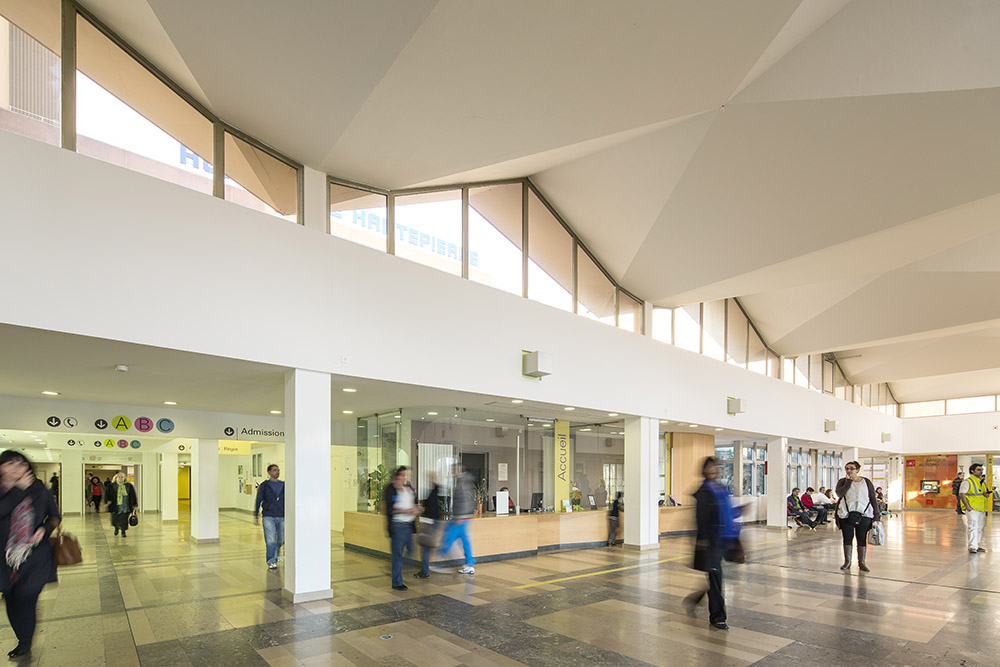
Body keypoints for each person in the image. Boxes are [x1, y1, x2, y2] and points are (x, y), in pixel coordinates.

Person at [0, 450, 61, 659]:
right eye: (10, 464)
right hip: (4, 558)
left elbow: (54, 516)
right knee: (11, 598)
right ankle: (21, 636)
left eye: (21, 464)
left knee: (26, 598)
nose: (17, 469)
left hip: (35, 556)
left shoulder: (38, 490)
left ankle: (24, 642)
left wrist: (45, 530)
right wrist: (18, 490)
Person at [685, 457, 738, 630]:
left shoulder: (722, 489)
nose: (713, 470)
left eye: (716, 467)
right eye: (709, 467)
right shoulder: (703, 492)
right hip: (710, 542)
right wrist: (702, 540)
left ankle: (695, 599)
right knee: (716, 578)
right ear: (704, 470)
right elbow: (701, 518)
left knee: (715, 576)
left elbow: (727, 512)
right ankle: (717, 617)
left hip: (724, 538)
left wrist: (739, 512)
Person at [835, 460, 881, 572]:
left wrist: (876, 515)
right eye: (847, 468)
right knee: (847, 537)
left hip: (864, 514)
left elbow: (872, 498)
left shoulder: (866, 482)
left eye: (851, 468)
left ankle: (862, 562)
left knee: (861, 538)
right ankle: (847, 561)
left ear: (857, 470)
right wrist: (848, 482)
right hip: (846, 514)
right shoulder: (842, 481)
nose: (849, 471)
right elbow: (839, 494)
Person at [383, 466, 420, 590]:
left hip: (409, 526)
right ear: (397, 476)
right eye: (403, 475)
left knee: (411, 550)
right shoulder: (391, 489)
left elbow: (415, 503)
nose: (406, 478)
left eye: (407, 475)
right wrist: (405, 511)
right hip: (397, 526)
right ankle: (397, 582)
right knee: (398, 555)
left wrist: (417, 509)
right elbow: (389, 510)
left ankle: (396, 568)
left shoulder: (409, 489)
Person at [439, 464, 476, 575]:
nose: (451, 472)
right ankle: (469, 564)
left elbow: (463, 500)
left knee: (449, 537)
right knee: (464, 541)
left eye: (453, 470)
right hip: (464, 517)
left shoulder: (462, 483)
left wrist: (459, 516)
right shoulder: (464, 481)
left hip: (461, 517)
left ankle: (440, 557)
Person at [253, 464, 285, 569]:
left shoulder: (284, 485)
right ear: (269, 472)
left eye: (278, 470)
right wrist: (256, 514)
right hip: (268, 516)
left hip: (282, 515)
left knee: (281, 539)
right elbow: (259, 500)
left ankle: (277, 552)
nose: (277, 472)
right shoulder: (264, 485)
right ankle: (271, 560)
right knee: (270, 540)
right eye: (275, 470)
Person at [959, 463, 990, 554]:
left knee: (979, 528)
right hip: (972, 509)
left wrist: (986, 494)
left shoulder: (982, 482)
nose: (981, 471)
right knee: (973, 527)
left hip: (981, 508)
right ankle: (972, 546)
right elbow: (962, 494)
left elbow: (983, 494)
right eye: (978, 470)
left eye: (981, 470)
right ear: (972, 471)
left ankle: (976, 544)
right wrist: (967, 506)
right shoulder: (967, 482)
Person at [415, 476, 441, 579]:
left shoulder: (433, 492)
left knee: (425, 548)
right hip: (433, 522)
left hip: (430, 522)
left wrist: (422, 509)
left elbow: (432, 509)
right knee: (427, 547)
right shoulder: (435, 491)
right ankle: (426, 569)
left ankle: (425, 571)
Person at [108, 472, 138, 538]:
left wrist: (134, 504)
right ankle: (116, 528)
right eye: (119, 477)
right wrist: (107, 501)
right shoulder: (111, 486)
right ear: (116, 478)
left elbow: (133, 495)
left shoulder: (129, 486)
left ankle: (123, 531)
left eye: (122, 477)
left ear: (125, 478)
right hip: (115, 506)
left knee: (124, 520)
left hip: (125, 506)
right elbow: (107, 495)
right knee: (114, 520)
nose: (120, 478)